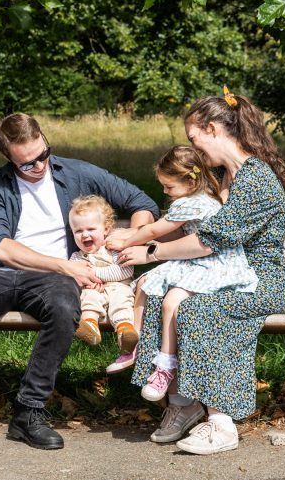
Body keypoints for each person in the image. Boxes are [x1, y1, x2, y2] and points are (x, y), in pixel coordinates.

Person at [0, 114, 159, 449]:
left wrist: (129, 237)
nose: (39, 165)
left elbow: (141, 202)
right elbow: (0, 247)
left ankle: (29, 412)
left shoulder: (77, 172)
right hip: (6, 274)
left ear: (45, 139)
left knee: (64, 309)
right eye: (27, 162)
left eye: (43, 154)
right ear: (8, 157)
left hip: (55, 280)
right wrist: (64, 266)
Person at [115, 91, 285, 454]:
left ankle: (222, 424)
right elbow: (192, 227)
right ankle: (183, 403)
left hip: (258, 281)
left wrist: (152, 250)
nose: (194, 150)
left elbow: (211, 240)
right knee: (161, 294)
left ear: (212, 129)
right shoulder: (223, 176)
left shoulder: (256, 178)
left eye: (195, 139)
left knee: (198, 310)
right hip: (220, 274)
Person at [105, 145, 258, 400]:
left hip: (212, 265)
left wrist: (126, 241)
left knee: (169, 302)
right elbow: (167, 232)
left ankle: (164, 365)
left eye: (169, 187)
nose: (165, 192)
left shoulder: (191, 203)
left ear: (190, 181)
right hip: (198, 262)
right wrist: (133, 235)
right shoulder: (200, 198)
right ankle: (134, 340)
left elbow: (154, 231)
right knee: (146, 281)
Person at [68, 195, 139, 353]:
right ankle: (89, 325)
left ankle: (125, 331)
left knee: (121, 300)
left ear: (106, 229)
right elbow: (72, 277)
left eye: (91, 229)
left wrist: (94, 273)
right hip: (95, 289)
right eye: (78, 231)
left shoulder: (112, 248)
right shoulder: (76, 257)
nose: (84, 235)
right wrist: (86, 282)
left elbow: (126, 270)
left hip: (118, 286)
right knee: (88, 296)